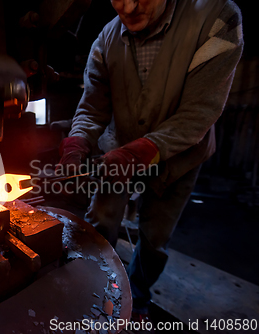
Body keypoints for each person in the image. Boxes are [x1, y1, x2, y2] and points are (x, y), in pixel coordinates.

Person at [57, 0, 243, 321]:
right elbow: (92, 108)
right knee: (100, 223)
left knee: (154, 239)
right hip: (119, 148)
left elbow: (199, 111)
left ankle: (137, 294)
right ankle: (93, 287)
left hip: (180, 156)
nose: (127, 7)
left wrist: (136, 153)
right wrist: (78, 141)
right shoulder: (106, 39)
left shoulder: (218, 19)